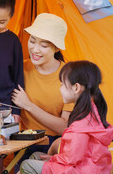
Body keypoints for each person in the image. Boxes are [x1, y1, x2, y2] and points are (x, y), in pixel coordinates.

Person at [20, 60, 113, 174]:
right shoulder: (90, 112)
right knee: (36, 156)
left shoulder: (81, 123)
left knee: (27, 165)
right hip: (87, 167)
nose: (60, 89)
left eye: (62, 85)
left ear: (76, 88)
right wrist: (53, 159)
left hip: (80, 170)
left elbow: (71, 158)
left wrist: (54, 159)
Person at [11, 13, 73, 172]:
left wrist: (28, 106)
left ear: (56, 48)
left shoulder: (69, 77)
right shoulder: (20, 69)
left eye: (44, 45)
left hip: (54, 146)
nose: (35, 49)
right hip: (22, 142)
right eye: (32, 41)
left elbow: (63, 127)